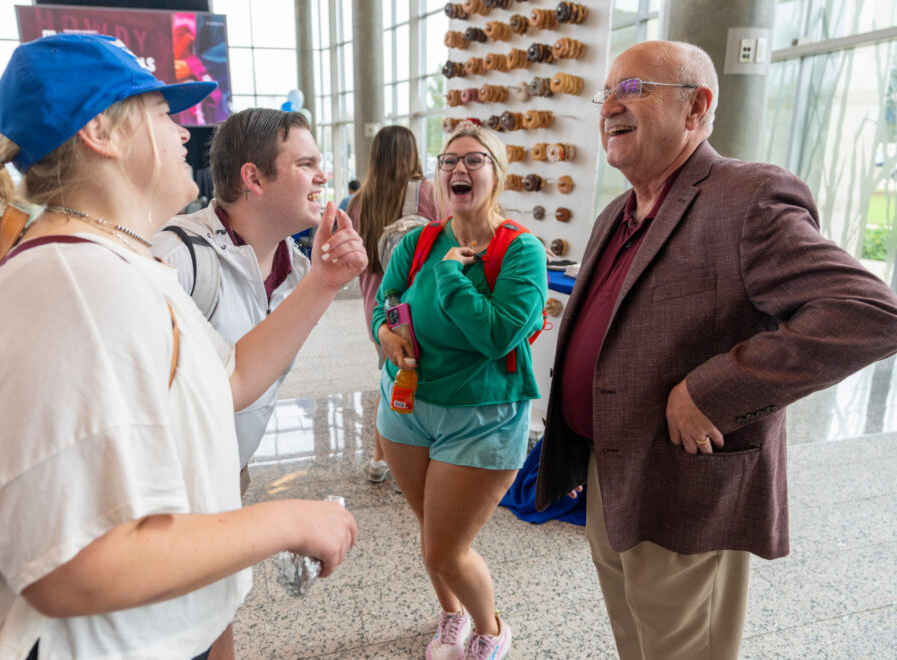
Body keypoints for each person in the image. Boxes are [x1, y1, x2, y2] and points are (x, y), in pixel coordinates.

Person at [0, 34, 363, 659]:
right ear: (101, 132)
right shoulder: (75, 285)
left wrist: (321, 284)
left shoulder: (116, 261)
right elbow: (71, 566)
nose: (184, 136)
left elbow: (227, 380)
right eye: (164, 116)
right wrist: (289, 521)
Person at [534, 40, 897, 660]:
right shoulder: (614, 216)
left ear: (696, 108)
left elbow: (867, 311)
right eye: (607, 94)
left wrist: (716, 390)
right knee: (636, 642)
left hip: (684, 492)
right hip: (609, 477)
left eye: (633, 90)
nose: (610, 108)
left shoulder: (746, 197)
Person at [373, 122, 546, 660]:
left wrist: (451, 277)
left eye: (473, 160)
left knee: (447, 548)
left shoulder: (521, 252)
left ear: (497, 174)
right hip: (405, 407)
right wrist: (384, 332)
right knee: (433, 534)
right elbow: (386, 301)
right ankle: (451, 616)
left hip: (481, 418)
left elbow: (497, 336)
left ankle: (490, 629)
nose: (458, 170)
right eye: (448, 161)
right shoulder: (420, 240)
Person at [152, 108, 323, 492]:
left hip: (230, 470)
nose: (322, 177)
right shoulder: (176, 258)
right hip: (172, 487)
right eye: (306, 164)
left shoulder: (297, 268)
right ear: (254, 178)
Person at [350, 125, 439, 482]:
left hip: (377, 307)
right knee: (420, 382)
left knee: (391, 379)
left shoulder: (359, 201)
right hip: (417, 306)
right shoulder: (428, 192)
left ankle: (378, 458)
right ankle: (413, 465)